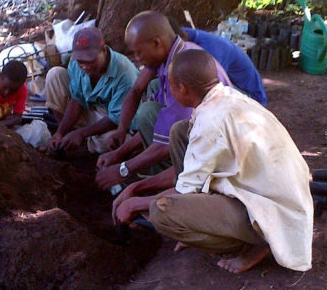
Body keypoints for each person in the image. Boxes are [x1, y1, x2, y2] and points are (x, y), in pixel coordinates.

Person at [114, 49, 313, 274]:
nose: (168, 91)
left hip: (271, 213)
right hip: (276, 192)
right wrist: (136, 188)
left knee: (161, 212)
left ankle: (255, 244)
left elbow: (183, 192)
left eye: (170, 86)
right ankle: (209, 222)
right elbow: (192, 171)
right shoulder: (227, 97)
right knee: (180, 131)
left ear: (182, 88)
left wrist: (135, 203)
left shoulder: (210, 123)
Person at [95, 11, 232, 190]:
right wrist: (120, 152)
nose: (137, 59)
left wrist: (123, 169)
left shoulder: (181, 74)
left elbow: (165, 145)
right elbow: (141, 97)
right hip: (209, 134)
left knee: (148, 112)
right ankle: (159, 178)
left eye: (138, 52)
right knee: (151, 108)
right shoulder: (176, 55)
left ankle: (171, 185)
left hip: (219, 153)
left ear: (157, 43)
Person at [45, 27, 138, 154]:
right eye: (80, 61)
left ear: (104, 51)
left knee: (108, 141)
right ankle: (69, 138)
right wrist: (60, 133)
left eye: (90, 60)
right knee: (54, 74)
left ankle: (86, 140)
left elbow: (117, 118)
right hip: (90, 108)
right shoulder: (75, 63)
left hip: (117, 120)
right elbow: (77, 99)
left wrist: (82, 133)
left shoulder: (125, 73)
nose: (84, 66)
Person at [179, 26, 267, 106]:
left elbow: (211, 88)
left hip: (252, 97)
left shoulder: (212, 50)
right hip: (237, 85)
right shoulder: (189, 34)